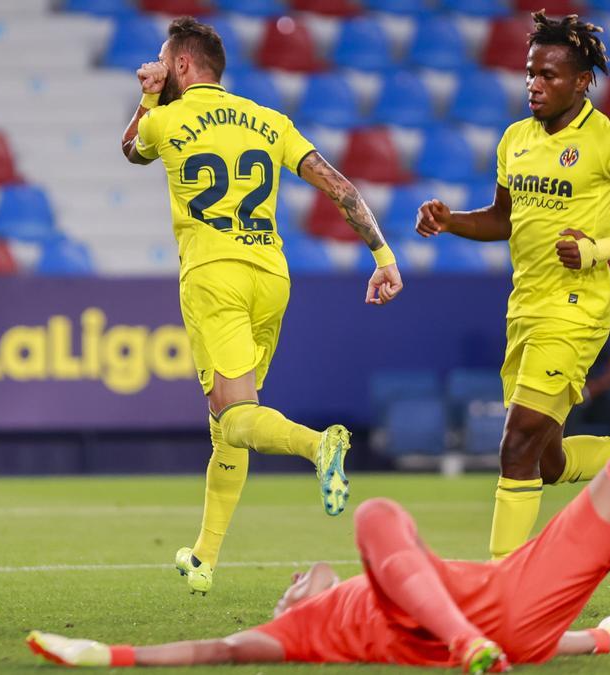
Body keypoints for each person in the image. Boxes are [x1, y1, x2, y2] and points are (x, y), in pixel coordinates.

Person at [27, 446, 610, 670]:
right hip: (489, 631)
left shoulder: (365, 587)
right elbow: (217, 648)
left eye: (296, 578)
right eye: (290, 585)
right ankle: (463, 639)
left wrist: (608, 636)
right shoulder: (303, 628)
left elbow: (536, 636)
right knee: (375, 511)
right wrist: (112, 654)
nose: (298, 578)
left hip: (507, 618)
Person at [120, 17, 403, 594]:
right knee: (231, 423)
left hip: (213, 275)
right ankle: (204, 556)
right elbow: (339, 186)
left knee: (235, 415)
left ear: (180, 65)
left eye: (162, 61)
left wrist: (146, 97)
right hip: (271, 276)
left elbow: (131, 152)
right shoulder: (269, 121)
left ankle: (317, 443)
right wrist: (383, 254)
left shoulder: (168, 118)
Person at [415, 12, 610, 559]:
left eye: (548, 75)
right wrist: (451, 220)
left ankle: (499, 587)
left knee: (515, 444)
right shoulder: (515, 139)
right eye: (529, 74)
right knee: (547, 461)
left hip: (576, 309)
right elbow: (503, 219)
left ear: (582, 80)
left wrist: (601, 248)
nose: (534, 86)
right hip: (524, 307)